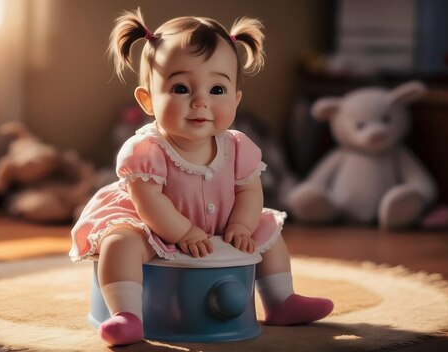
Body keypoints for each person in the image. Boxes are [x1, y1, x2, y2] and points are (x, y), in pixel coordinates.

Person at [70, 8, 333, 346]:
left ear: (236, 99)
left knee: (269, 229)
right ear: (148, 99)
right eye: (180, 88)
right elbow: (149, 201)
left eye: (217, 90)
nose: (200, 102)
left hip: (219, 226)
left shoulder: (238, 147)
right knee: (120, 244)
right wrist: (182, 231)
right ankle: (127, 315)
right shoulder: (146, 150)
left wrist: (240, 225)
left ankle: (281, 299)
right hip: (152, 226)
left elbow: (250, 192)